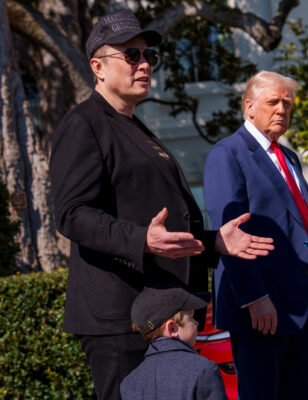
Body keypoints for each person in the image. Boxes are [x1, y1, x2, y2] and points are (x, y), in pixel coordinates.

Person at [49, 9, 273, 400]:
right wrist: (142, 240)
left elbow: (163, 229)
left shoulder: (134, 126)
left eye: (149, 55)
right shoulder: (83, 124)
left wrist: (213, 242)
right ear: (97, 67)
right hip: (121, 319)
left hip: (157, 315)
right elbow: (72, 215)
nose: (144, 64)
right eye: (131, 55)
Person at [203, 70, 308, 400]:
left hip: (298, 303)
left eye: (287, 104)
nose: (282, 110)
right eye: (273, 102)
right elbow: (231, 235)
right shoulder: (228, 153)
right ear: (249, 107)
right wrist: (254, 298)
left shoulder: (288, 156)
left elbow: (301, 226)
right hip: (262, 309)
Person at [120, 285, 227, 400]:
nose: (197, 323)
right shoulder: (203, 369)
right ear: (172, 328)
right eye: (191, 318)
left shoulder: (129, 383)